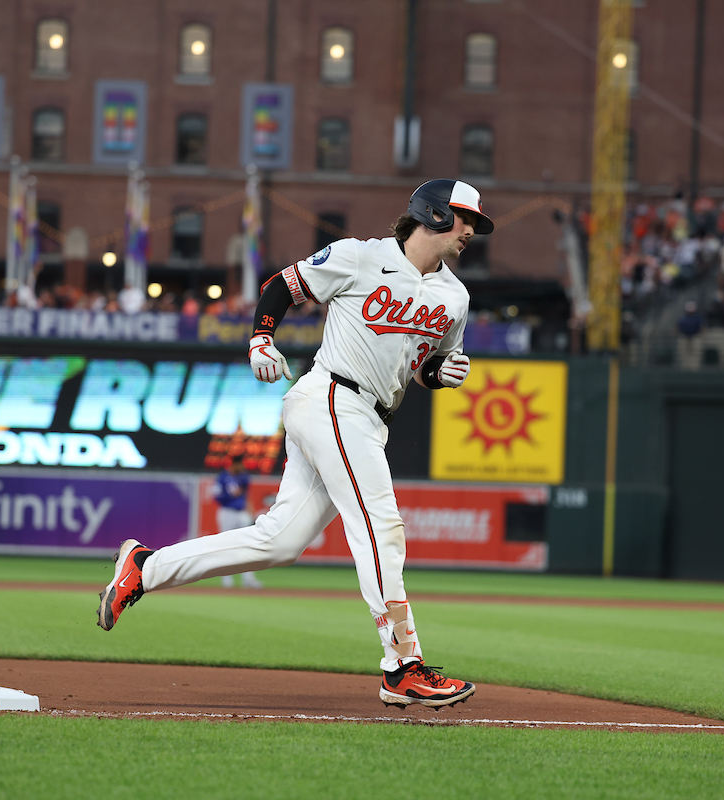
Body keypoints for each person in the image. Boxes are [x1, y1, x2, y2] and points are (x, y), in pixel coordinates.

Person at [97, 179, 487, 709]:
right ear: (434, 213)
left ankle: (146, 568)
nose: (471, 230)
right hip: (333, 397)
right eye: (465, 218)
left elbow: (423, 368)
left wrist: (440, 374)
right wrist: (261, 338)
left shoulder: (455, 297)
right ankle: (403, 665)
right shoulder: (360, 257)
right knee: (380, 525)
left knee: (279, 541)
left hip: (370, 417)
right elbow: (282, 285)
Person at [211, 459, 262, 589]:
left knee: (247, 544)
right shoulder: (223, 477)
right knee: (226, 545)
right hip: (227, 511)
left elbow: (246, 495)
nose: (242, 467)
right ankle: (227, 580)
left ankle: (248, 579)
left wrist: (251, 511)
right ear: (233, 464)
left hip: (241, 512)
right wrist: (231, 495)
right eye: (239, 464)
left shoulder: (243, 477)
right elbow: (216, 496)